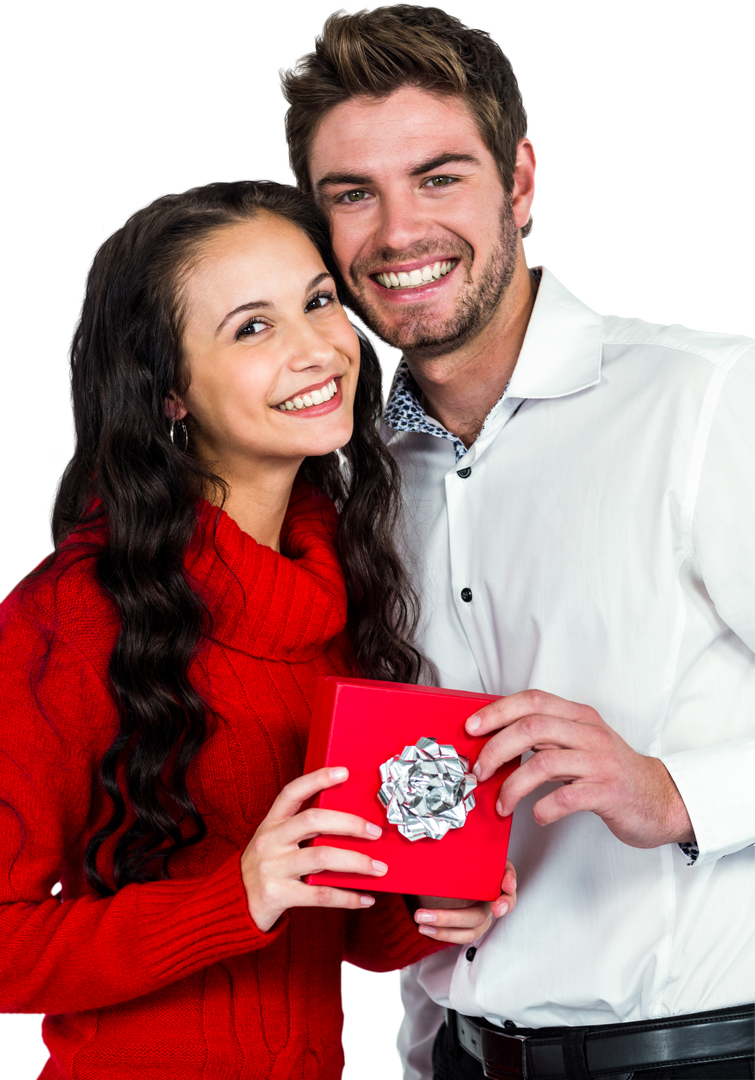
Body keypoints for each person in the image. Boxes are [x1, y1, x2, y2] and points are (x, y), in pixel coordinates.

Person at [273, 5, 755, 1078]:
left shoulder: (710, 397)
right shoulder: (337, 475)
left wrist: (678, 793)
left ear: (521, 183)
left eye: (438, 178)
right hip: (453, 1054)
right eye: (354, 195)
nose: (398, 232)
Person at [0, 177, 519, 1079]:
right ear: (168, 392)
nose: (316, 347)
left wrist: (432, 898)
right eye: (251, 326)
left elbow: (351, 933)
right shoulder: (67, 616)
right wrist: (232, 896)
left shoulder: (344, 587)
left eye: (319, 301)